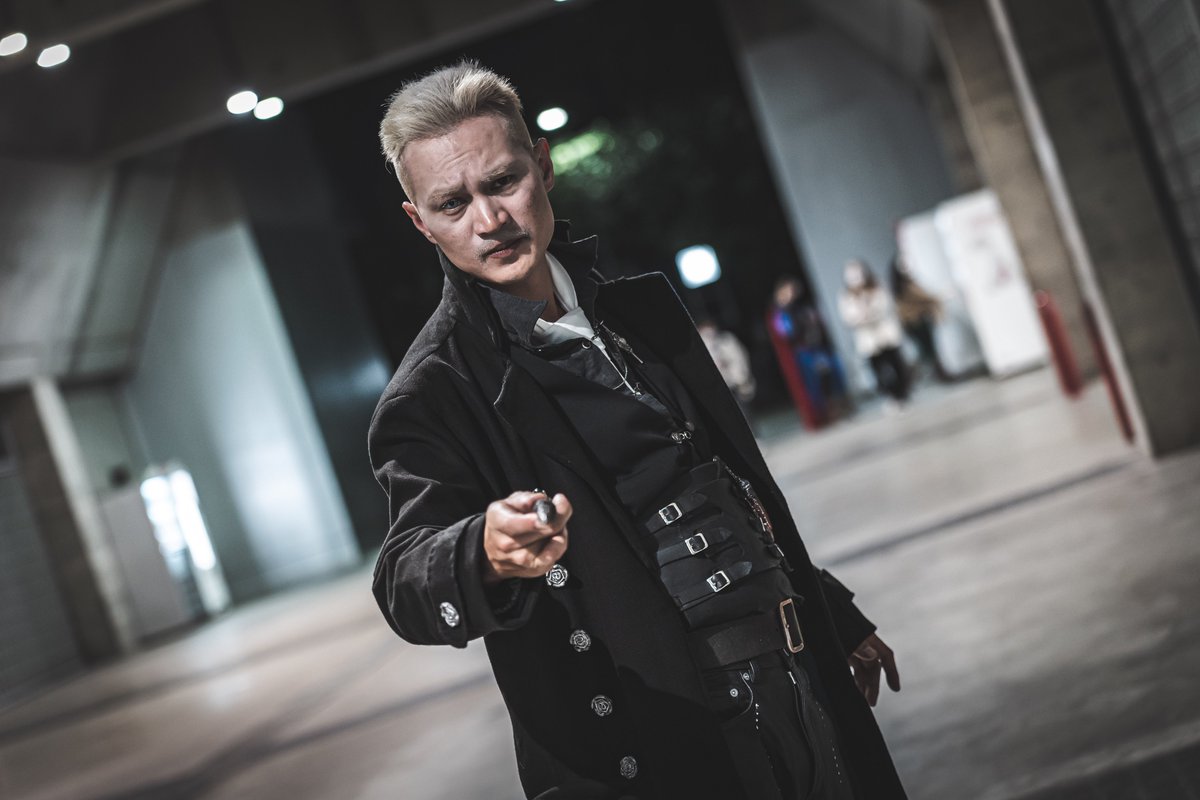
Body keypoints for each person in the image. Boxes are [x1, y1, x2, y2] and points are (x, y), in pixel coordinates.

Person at [369, 61, 906, 800]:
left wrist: (827, 611)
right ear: (419, 221)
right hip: (657, 740)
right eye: (452, 203)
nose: (489, 220)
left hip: (795, 676)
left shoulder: (642, 312)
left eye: (502, 182)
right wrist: (480, 551)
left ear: (543, 165)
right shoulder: (434, 391)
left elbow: (715, 487)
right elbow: (402, 578)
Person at [767, 277, 849, 428]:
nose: (790, 294)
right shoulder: (780, 313)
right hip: (802, 351)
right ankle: (822, 415)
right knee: (813, 384)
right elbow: (785, 333)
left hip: (815, 347)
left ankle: (835, 410)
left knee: (829, 378)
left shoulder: (801, 307)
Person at [837, 259, 910, 407]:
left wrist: (871, 313)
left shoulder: (877, 287)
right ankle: (890, 396)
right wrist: (859, 318)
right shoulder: (846, 296)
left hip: (884, 332)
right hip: (867, 338)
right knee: (878, 368)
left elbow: (885, 305)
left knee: (895, 363)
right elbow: (847, 317)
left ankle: (903, 393)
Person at [889, 255, 947, 382]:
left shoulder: (899, 286)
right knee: (929, 351)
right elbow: (924, 297)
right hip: (917, 322)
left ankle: (937, 374)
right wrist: (942, 296)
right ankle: (938, 374)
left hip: (912, 323)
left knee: (926, 351)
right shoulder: (906, 285)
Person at [695, 318, 756, 422]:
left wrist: (742, 376)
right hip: (718, 387)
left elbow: (740, 358)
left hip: (735, 382)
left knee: (744, 412)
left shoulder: (727, 340)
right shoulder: (701, 349)